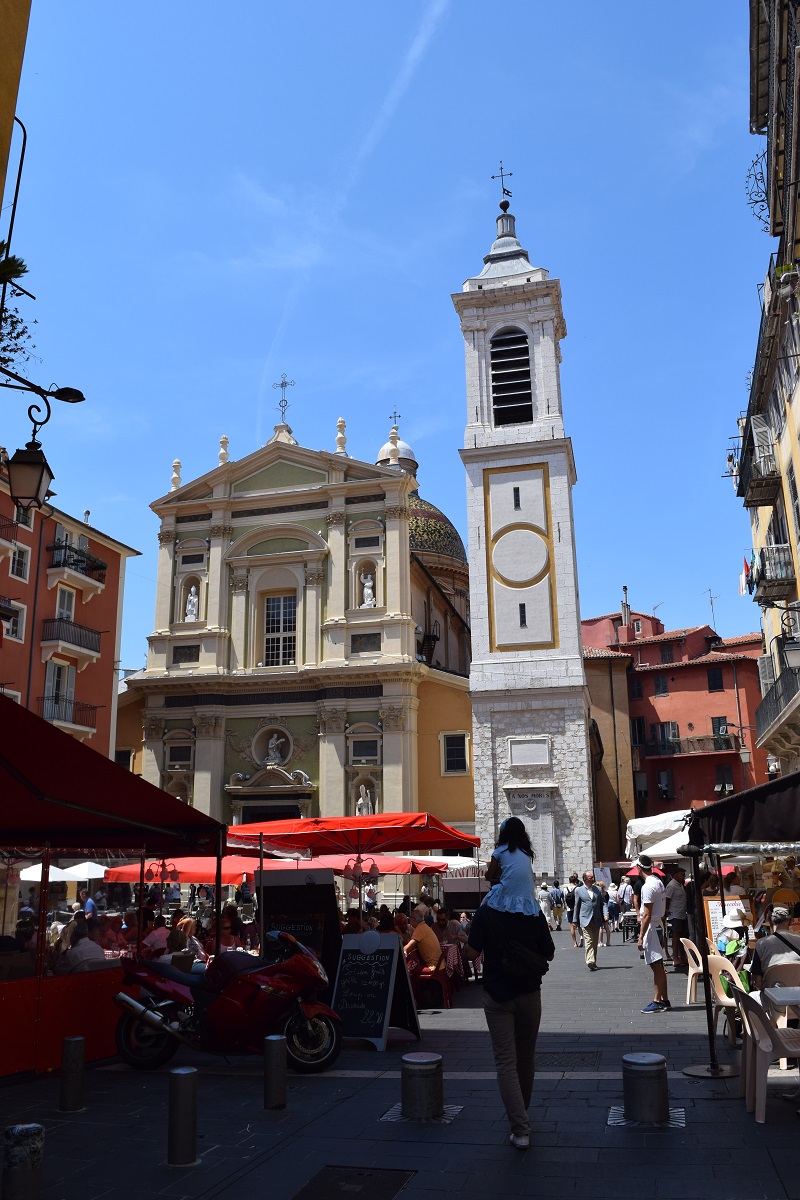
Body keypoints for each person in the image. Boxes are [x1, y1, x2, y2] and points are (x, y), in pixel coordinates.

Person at [465, 886, 555, 1149]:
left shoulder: (486, 911)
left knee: (506, 1061)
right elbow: (549, 952)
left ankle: (520, 1127)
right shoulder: (532, 911)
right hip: (529, 992)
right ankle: (521, 1114)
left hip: (498, 995)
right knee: (526, 1057)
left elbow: (471, 953)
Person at [483, 817, 539, 916]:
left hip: (508, 896)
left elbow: (489, 875)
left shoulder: (499, 851)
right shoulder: (526, 852)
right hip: (528, 898)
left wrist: (487, 872)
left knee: (483, 906)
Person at [636, 855, 670, 1013]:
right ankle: (664, 999)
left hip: (653, 927)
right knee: (659, 965)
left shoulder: (648, 886)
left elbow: (647, 914)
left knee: (656, 966)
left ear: (639, 868)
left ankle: (657, 1000)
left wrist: (640, 936)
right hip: (658, 925)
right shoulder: (658, 881)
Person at [751, 906, 800, 986]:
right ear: (790, 921)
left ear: (770, 921)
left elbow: (756, 981)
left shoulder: (761, 944)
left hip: (772, 992)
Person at [573, 871, 605, 970]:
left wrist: (606, 914)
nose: (593, 879)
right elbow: (577, 906)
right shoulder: (579, 890)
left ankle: (593, 961)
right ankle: (590, 961)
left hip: (596, 918)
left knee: (594, 941)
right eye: (591, 878)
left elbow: (603, 903)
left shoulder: (598, 889)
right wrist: (575, 920)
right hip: (585, 918)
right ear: (585, 879)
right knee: (589, 940)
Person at [664, 867, 688, 968]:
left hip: (682, 913)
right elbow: (667, 899)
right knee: (676, 936)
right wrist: (666, 910)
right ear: (676, 874)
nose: (684, 876)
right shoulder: (671, 885)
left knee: (682, 936)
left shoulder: (680, 885)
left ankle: (682, 957)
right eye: (682, 874)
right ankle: (675, 958)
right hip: (675, 914)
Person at [564, 874, 582, 948]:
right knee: (579, 925)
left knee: (572, 926)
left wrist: (565, 907)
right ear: (575, 881)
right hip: (577, 909)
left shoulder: (565, 889)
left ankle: (575, 942)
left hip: (569, 909)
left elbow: (565, 899)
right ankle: (581, 937)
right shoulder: (578, 888)